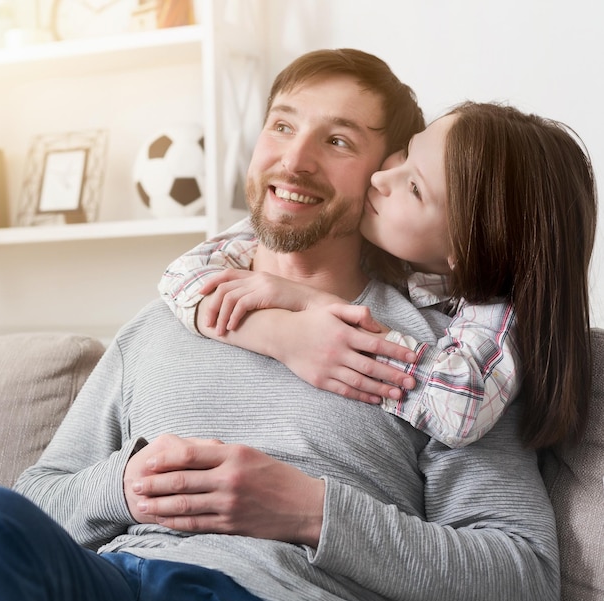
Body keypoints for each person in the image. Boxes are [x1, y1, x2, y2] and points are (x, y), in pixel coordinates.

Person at [0, 49, 577, 601]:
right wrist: (122, 486)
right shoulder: (161, 322)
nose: (294, 160)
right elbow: (38, 498)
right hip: (118, 585)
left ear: (382, 170)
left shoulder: (443, 366)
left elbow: (521, 587)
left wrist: (311, 513)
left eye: (339, 140)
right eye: (282, 125)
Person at [158, 102, 595, 450]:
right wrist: (279, 334)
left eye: (415, 188)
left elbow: (461, 404)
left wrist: (313, 304)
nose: (382, 177)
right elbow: (182, 273)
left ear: (463, 248)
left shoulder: (496, 316)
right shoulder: (373, 242)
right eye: (404, 152)